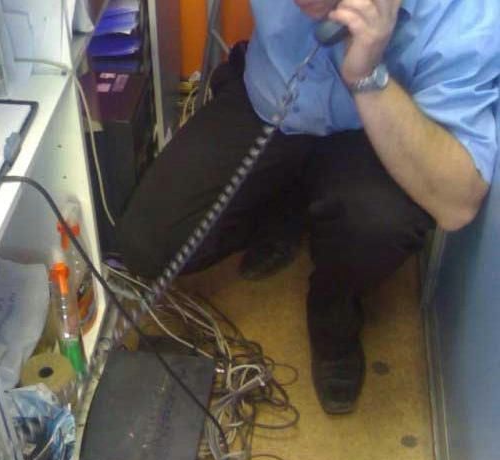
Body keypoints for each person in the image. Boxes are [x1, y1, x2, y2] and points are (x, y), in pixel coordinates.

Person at [116, 0, 500, 414]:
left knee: (376, 223)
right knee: (149, 243)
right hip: (273, 101)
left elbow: (457, 203)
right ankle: (287, 206)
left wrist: (368, 73)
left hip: (373, 128)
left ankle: (334, 308)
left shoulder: (467, 14)